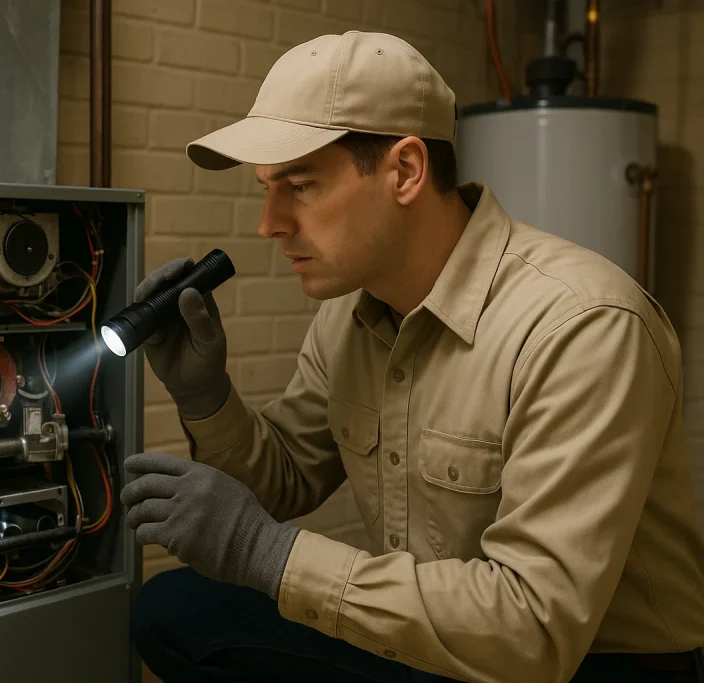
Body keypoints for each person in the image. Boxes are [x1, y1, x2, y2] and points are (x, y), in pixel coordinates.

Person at [118, 30, 704, 683]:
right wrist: (206, 396)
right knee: (172, 612)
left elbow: (535, 629)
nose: (269, 223)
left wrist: (267, 551)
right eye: (267, 188)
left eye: (300, 186)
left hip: (587, 663)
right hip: (435, 640)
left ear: (405, 171)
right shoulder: (350, 313)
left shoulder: (582, 325)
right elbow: (282, 480)